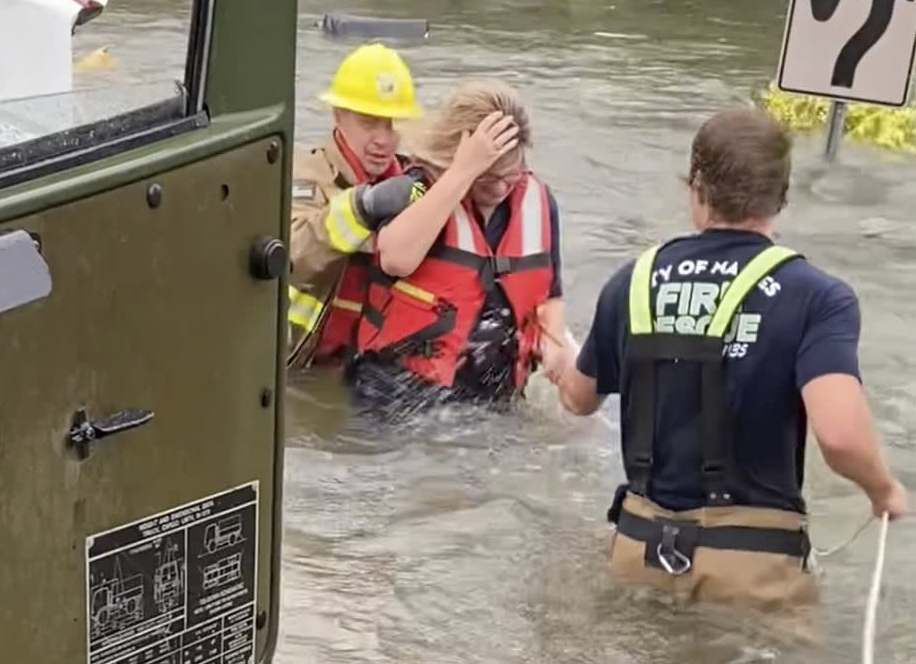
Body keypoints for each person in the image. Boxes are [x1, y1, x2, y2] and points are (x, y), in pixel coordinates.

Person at [552, 107, 908, 609]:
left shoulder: (630, 282)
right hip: (752, 569)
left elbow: (578, 399)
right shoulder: (816, 296)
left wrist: (562, 355)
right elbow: (842, 437)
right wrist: (884, 490)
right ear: (782, 194)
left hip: (637, 553)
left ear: (696, 186)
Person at [347, 79, 566, 414]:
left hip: (492, 399)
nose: (501, 187)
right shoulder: (417, 190)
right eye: (488, 177)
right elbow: (395, 260)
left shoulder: (538, 203)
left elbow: (549, 295)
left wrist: (556, 346)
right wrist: (463, 171)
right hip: (399, 400)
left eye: (512, 174)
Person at [287, 43, 428, 369]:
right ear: (338, 115)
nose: (383, 139)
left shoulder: (416, 183)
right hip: (300, 367)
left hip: (370, 372)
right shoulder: (304, 176)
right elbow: (295, 255)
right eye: (368, 122)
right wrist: (362, 208)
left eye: (392, 124)